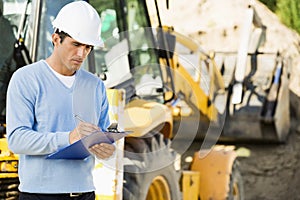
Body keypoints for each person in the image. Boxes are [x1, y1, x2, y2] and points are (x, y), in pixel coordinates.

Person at [6, 1, 115, 199]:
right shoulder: (26, 79)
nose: (81, 54)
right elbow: (16, 139)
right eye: (75, 44)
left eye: (88, 47)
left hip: (85, 193)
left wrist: (107, 150)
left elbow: (104, 135)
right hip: (39, 195)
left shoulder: (96, 86)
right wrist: (68, 138)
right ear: (56, 39)